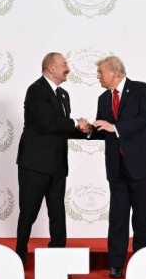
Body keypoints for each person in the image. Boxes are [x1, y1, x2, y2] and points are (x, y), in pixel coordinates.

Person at [88, 56, 146, 279]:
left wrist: (114, 127)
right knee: (118, 218)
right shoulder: (103, 98)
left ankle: (143, 264)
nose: (97, 76)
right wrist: (89, 130)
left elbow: (145, 119)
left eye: (101, 72)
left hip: (143, 164)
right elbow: (104, 131)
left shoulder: (142, 90)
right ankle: (116, 264)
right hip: (117, 167)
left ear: (114, 72)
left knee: (143, 218)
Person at [15, 52, 90, 267]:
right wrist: (75, 122)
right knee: (28, 213)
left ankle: (58, 261)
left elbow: (62, 128)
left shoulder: (63, 94)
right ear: (51, 68)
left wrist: (87, 130)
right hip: (35, 165)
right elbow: (48, 124)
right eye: (64, 65)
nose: (68, 69)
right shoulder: (36, 90)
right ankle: (19, 258)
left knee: (57, 214)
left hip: (57, 165)